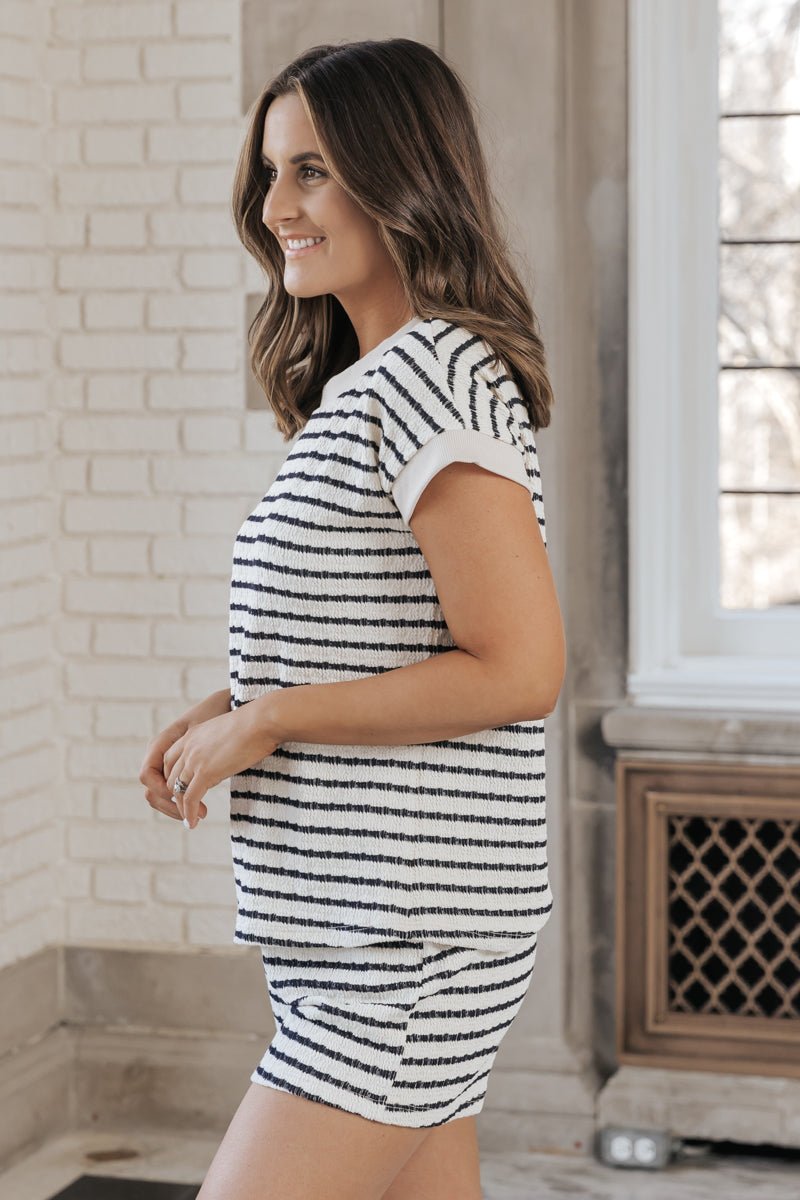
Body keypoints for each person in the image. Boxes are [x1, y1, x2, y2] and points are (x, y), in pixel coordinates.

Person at [139, 37, 565, 1200]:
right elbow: (382, 642)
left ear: (402, 174)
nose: (274, 205)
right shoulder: (369, 386)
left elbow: (519, 665)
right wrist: (230, 709)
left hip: (403, 944)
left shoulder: (431, 374)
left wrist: (268, 719)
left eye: (312, 170)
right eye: (271, 173)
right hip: (354, 934)